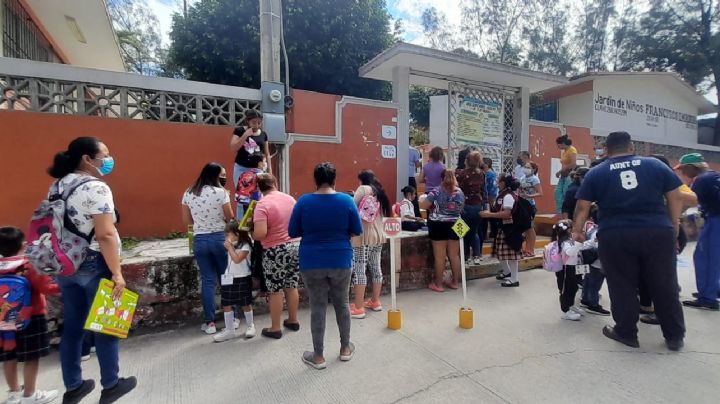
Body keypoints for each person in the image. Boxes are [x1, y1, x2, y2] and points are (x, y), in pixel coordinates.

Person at [573, 131, 685, 351]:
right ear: (631, 146)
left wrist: (578, 231)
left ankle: (626, 332)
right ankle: (674, 336)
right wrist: (674, 225)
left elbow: (582, 206)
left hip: (616, 234)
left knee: (622, 283)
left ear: (606, 150)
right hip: (657, 231)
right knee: (665, 283)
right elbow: (676, 196)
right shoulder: (655, 165)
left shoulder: (596, 173)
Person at [46, 137, 137, 403]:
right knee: (106, 322)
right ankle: (111, 383)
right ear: (87, 158)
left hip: (65, 263)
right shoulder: (96, 187)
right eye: (104, 155)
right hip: (93, 261)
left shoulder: (58, 185)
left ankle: (73, 385)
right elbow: (106, 233)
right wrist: (117, 273)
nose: (108, 160)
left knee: (73, 326)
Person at [288, 162, 362, 370]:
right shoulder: (346, 200)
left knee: (317, 307)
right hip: (340, 259)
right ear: (334, 179)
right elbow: (357, 230)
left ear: (315, 180)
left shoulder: (304, 202)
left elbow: (292, 231)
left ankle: (318, 356)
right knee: (342, 304)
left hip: (311, 260)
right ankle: (345, 348)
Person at [0, 227, 59, 404]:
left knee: (9, 356)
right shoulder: (27, 265)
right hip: (31, 317)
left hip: (4, 320)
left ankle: (14, 393)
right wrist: (64, 287)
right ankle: (30, 395)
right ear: (22, 244)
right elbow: (46, 287)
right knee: (31, 357)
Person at [182, 163, 234, 335]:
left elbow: (187, 221)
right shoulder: (221, 193)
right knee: (225, 278)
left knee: (208, 281)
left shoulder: (188, 192)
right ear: (215, 176)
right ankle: (231, 319)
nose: (224, 178)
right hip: (220, 238)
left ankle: (210, 322)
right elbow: (230, 218)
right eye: (223, 175)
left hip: (200, 240)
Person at [251, 173, 301, 338]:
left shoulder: (262, 204)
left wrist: (250, 231)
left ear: (259, 188)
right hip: (295, 246)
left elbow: (260, 233)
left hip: (275, 250)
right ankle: (293, 320)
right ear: (275, 184)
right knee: (291, 285)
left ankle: (275, 327)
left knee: (275, 290)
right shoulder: (289, 199)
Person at [675, 153, 720, 311]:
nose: (682, 173)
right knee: (712, 258)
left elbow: (688, 202)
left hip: (716, 220)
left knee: (706, 257)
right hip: (714, 218)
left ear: (691, 168)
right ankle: (712, 290)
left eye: (682, 169)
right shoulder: (713, 176)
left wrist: (674, 217)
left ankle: (707, 298)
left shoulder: (701, 180)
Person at [350, 170, 391, 319]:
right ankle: (375, 301)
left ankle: (359, 308)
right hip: (378, 235)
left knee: (360, 268)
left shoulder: (362, 189)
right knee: (375, 267)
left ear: (361, 180)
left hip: (363, 236)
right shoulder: (378, 191)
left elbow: (352, 207)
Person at [420, 169, 465, 292]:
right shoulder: (460, 192)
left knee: (440, 257)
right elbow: (461, 208)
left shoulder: (436, 191)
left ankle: (438, 284)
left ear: (441, 178)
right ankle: (455, 282)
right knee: (454, 255)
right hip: (456, 224)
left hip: (438, 224)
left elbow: (423, 206)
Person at [212, 221, 256, 343]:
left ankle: (250, 325)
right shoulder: (233, 244)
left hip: (242, 277)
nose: (226, 237)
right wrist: (230, 245)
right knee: (226, 303)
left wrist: (230, 247)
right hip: (229, 277)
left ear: (237, 233)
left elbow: (237, 259)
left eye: (228, 234)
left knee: (245, 303)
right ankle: (229, 330)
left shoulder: (245, 246)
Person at [481, 174, 522, 287]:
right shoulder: (503, 194)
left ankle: (514, 279)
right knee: (500, 252)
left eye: (498, 181)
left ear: (503, 183)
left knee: (512, 254)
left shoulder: (508, 196)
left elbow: (506, 214)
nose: (496, 182)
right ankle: (507, 272)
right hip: (503, 228)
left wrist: (489, 214)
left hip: (510, 229)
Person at [230, 110, 272, 217]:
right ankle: (240, 224)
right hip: (241, 168)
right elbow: (233, 147)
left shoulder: (263, 134)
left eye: (259, 123)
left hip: (258, 169)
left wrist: (269, 171)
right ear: (247, 121)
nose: (257, 125)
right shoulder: (239, 131)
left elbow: (267, 154)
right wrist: (245, 135)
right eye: (254, 122)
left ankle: (256, 220)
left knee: (257, 197)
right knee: (242, 198)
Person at [549, 221, 585, 321]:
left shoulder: (569, 240)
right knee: (566, 289)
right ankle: (565, 311)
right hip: (566, 269)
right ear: (567, 230)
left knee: (574, 287)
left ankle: (571, 305)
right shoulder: (564, 242)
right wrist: (578, 244)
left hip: (573, 267)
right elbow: (569, 252)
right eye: (571, 228)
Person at [456, 151, 487, 265]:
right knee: (474, 231)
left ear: (467, 161)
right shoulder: (482, 174)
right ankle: (477, 255)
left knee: (462, 232)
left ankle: (464, 256)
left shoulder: (461, 174)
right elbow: (484, 191)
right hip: (477, 205)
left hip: (464, 206)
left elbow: (458, 190)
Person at [519, 161, 542, 257]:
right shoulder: (522, 178)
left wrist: (529, 195)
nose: (526, 169)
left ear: (533, 169)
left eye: (528, 167)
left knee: (530, 228)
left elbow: (540, 193)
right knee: (522, 228)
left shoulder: (535, 179)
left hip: (530, 205)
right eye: (525, 167)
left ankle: (531, 250)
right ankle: (524, 249)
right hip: (521, 204)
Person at [554, 135, 577, 213]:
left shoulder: (572, 150)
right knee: (558, 193)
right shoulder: (564, 151)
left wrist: (560, 171)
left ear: (563, 143)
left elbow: (573, 164)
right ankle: (559, 211)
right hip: (563, 175)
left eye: (558, 144)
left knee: (565, 192)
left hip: (569, 174)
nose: (557, 146)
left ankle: (566, 211)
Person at [481, 157, 499, 241]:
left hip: (490, 198)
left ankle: (493, 235)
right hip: (485, 198)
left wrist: (491, 199)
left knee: (491, 217)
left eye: (483, 162)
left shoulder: (490, 174)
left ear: (487, 164)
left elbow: (492, 188)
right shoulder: (483, 173)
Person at [408, 143, 422, 217]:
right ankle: (416, 215)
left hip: (399, 176)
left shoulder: (398, 148)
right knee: (413, 196)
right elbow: (417, 165)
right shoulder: (414, 151)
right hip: (410, 176)